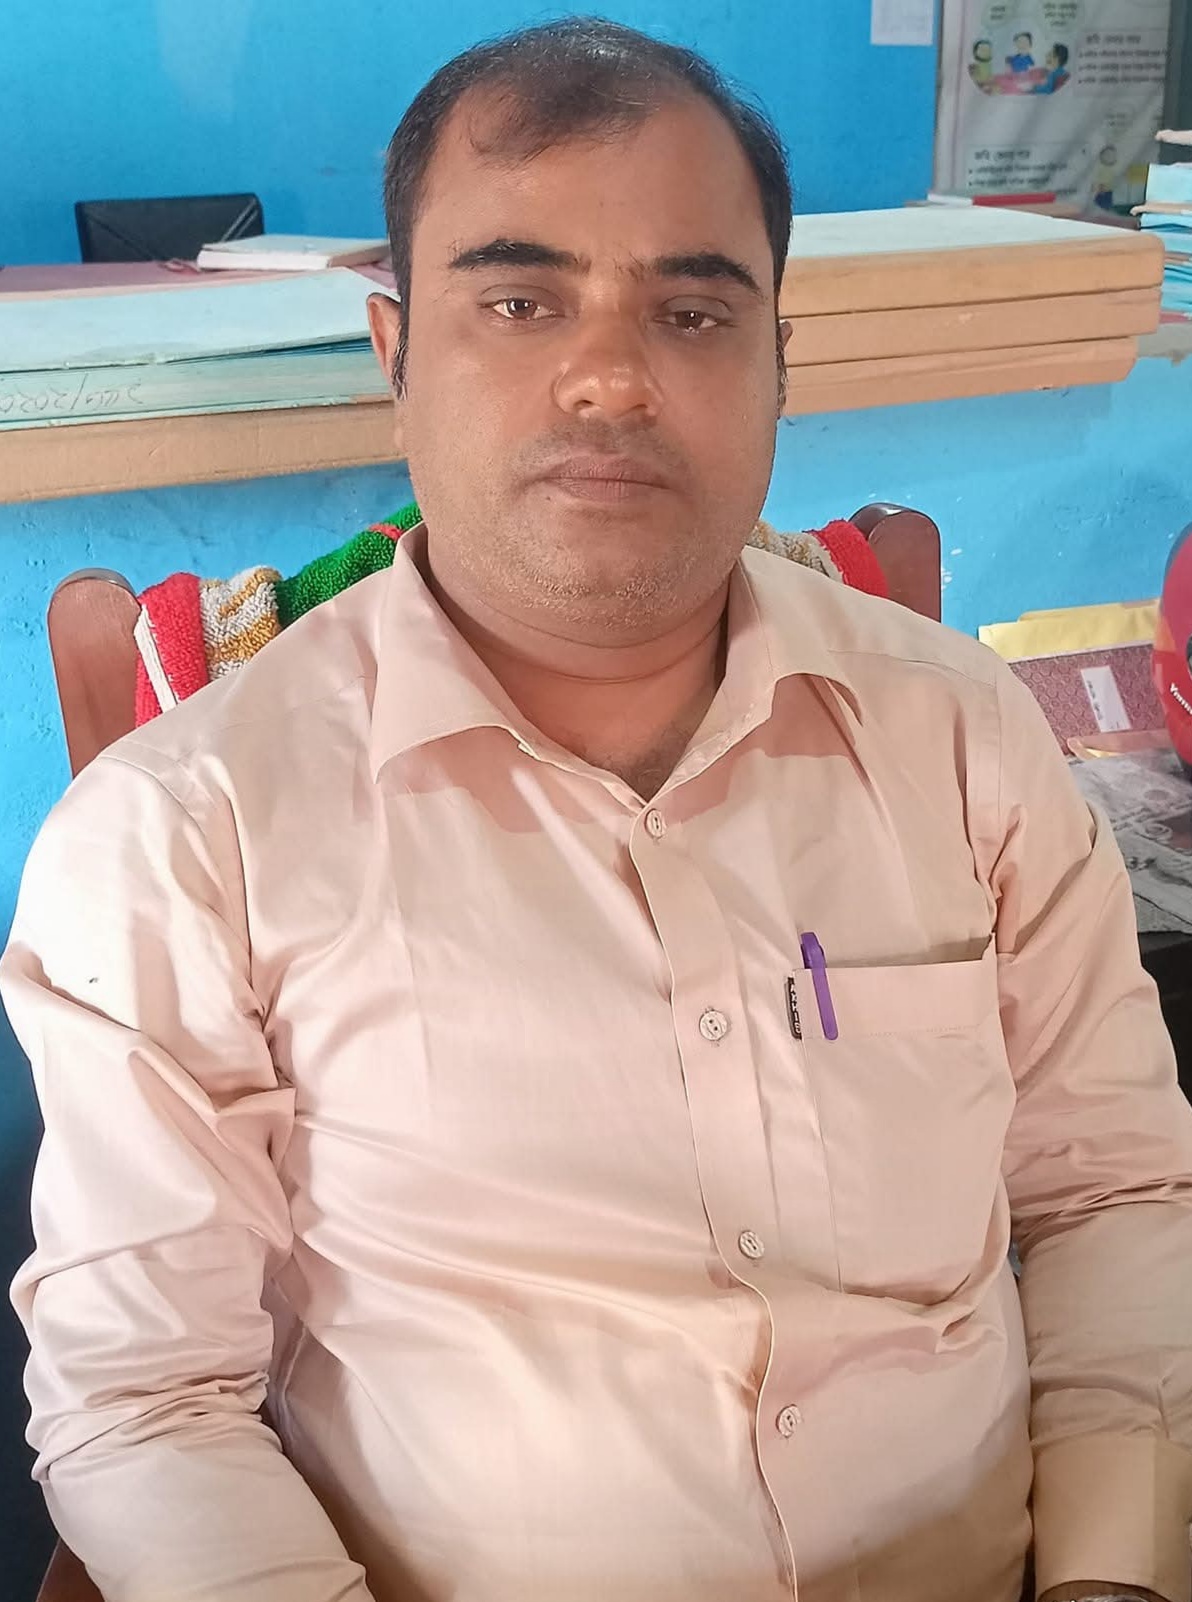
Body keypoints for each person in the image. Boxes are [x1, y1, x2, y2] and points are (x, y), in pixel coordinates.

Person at [3, 18, 1191, 1602]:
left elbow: (1116, 1192)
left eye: (693, 311)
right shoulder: (183, 836)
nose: (613, 376)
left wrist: (1111, 1576)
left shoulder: (966, 738)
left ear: (779, 360)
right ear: (396, 353)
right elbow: (147, 1399)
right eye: (518, 300)